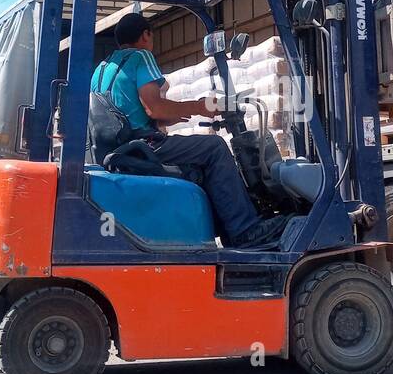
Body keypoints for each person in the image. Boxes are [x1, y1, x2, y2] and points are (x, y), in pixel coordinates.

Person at [90, 13, 288, 249]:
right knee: (214, 148)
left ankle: (226, 229)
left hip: (124, 148)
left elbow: (133, 112)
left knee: (198, 157)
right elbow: (153, 107)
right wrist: (199, 106)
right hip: (145, 146)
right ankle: (245, 229)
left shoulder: (102, 70)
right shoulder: (140, 56)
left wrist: (179, 112)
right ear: (146, 35)